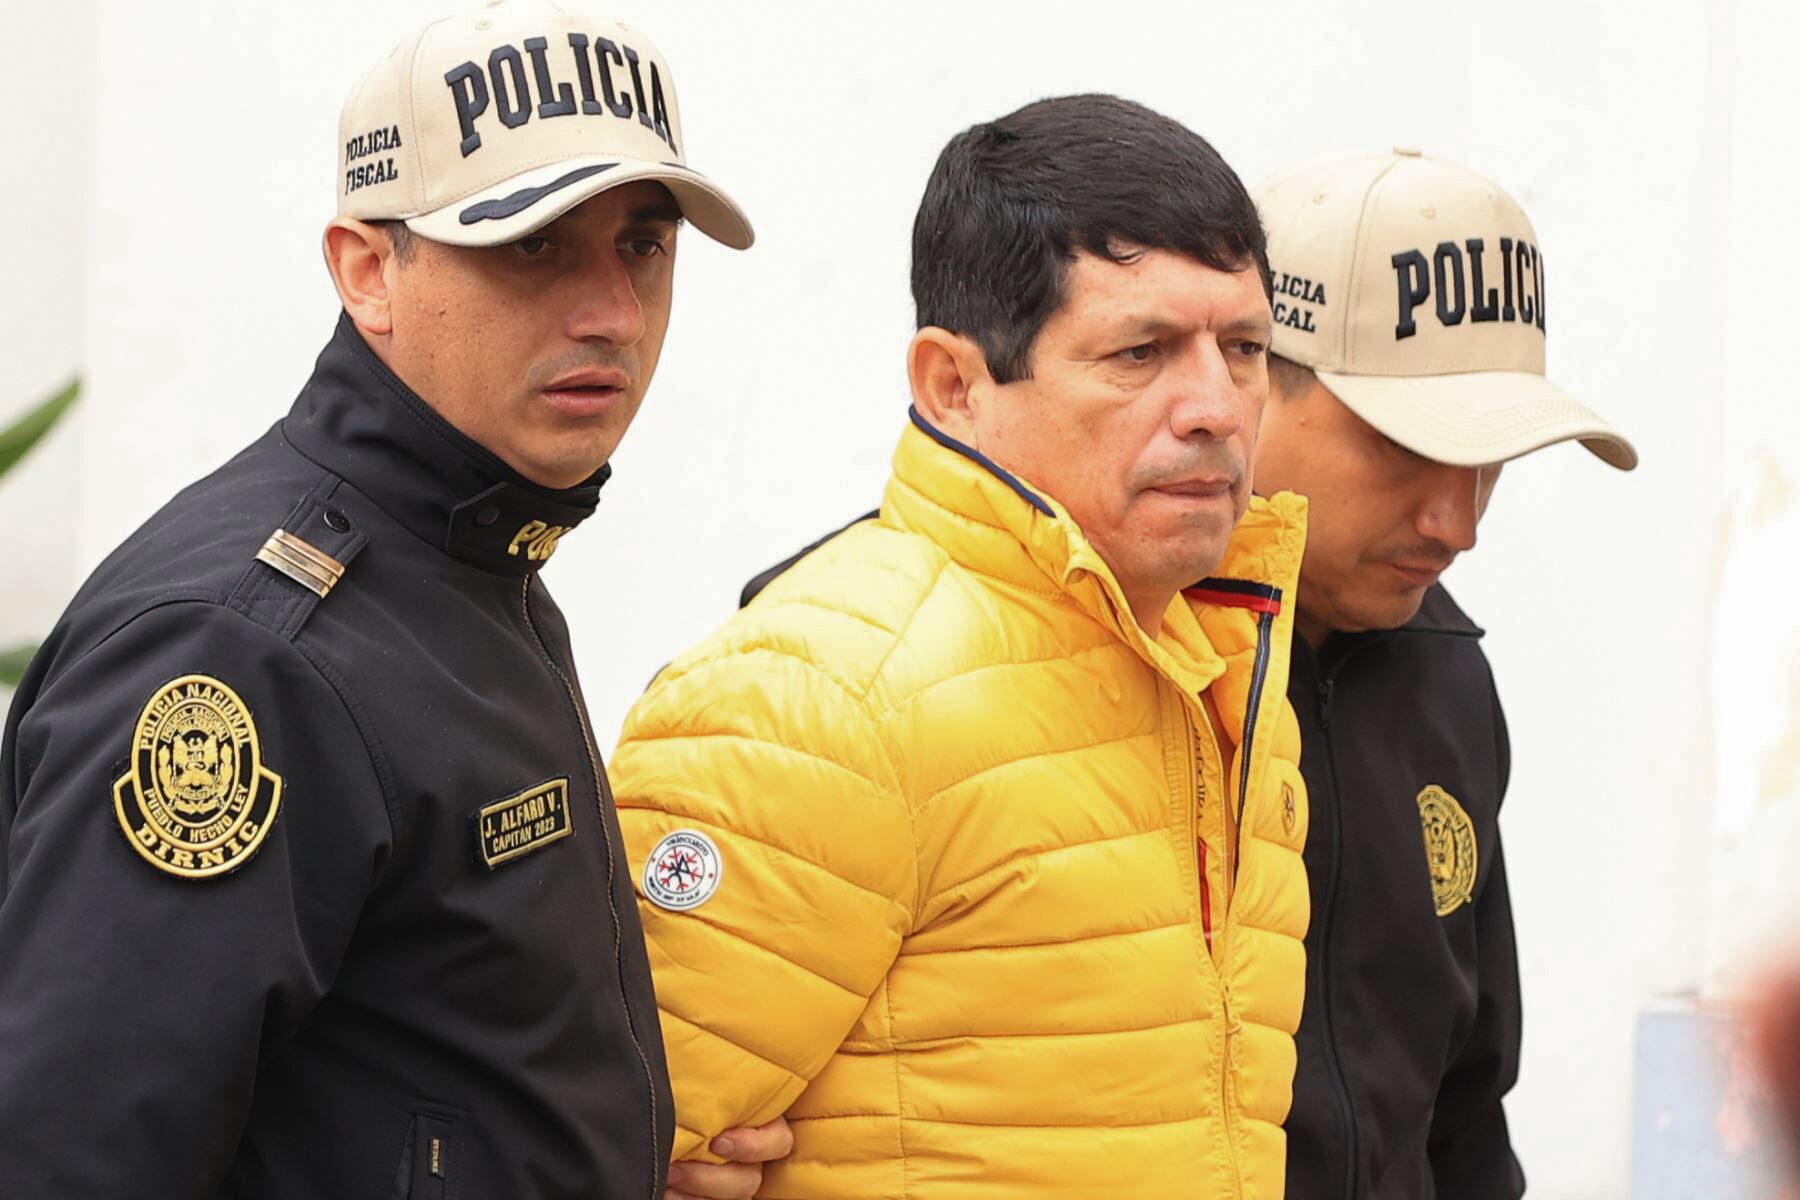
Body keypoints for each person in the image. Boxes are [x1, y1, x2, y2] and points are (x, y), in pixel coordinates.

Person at [0, 2, 787, 1196]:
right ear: (368, 269)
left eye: (642, 243)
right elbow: (72, 1157)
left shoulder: (473, 561)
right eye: (532, 244)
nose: (612, 312)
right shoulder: (247, 656)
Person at [611, 94, 1311, 1199]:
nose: (1217, 407)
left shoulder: (1224, 668)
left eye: (1244, 348)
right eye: (1140, 352)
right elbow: (597, 1148)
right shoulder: (817, 696)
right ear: (953, 386)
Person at [1251, 148, 1637, 1198]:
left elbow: (1464, 1108)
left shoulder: (1449, 676)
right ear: (1251, 378)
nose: (1457, 521)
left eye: (1492, 457)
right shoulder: (1093, 659)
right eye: (1405, 446)